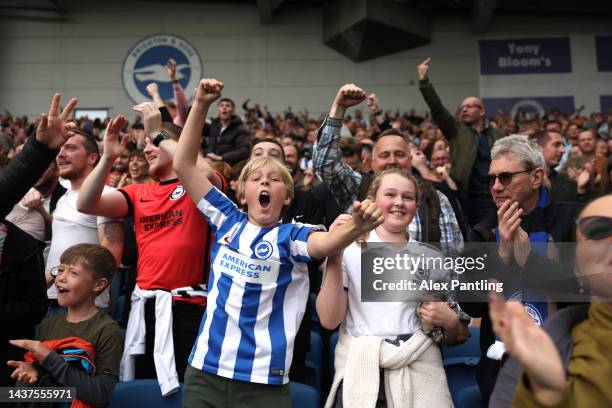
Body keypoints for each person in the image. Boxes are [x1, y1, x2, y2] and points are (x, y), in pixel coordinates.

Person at [173, 78, 383, 407]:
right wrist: (199, 104)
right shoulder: (226, 219)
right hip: (204, 372)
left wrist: (355, 226)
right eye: (256, 179)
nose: (265, 182)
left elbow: (325, 245)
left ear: (286, 197)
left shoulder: (292, 236)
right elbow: (183, 164)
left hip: (263, 383)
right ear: (242, 194)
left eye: (274, 180)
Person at [76, 102, 224, 395]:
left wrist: (159, 134)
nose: (146, 150)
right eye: (145, 144)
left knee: (184, 391)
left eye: (153, 144)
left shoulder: (198, 187)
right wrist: (106, 158)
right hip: (144, 307)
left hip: (189, 308)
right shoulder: (139, 191)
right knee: (144, 389)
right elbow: (86, 203)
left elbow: (205, 173)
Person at [317, 168, 469, 407]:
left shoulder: (432, 258)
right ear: (372, 201)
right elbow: (328, 320)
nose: (399, 202)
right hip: (361, 373)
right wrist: (334, 254)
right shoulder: (349, 250)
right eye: (390, 194)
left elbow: (458, 335)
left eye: (407, 197)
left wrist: (449, 321)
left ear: (416, 206)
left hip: (421, 373)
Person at [460, 134, 582, 404]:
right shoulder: (481, 231)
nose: (495, 186)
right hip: (503, 370)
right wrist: (501, 258)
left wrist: (529, 260)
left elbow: (585, 288)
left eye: (505, 177)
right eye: (490, 179)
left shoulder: (573, 221)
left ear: (536, 177)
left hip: (571, 363)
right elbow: (470, 304)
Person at [488, 194, 612, 407]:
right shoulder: (544, 351)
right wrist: (544, 394)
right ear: (578, 267)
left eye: (506, 176)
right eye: (598, 229)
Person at [313, 83, 464, 255]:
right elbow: (326, 164)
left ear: (410, 159)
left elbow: (452, 258)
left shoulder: (435, 198)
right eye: (385, 155)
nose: (392, 161)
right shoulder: (358, 188)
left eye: (399, 154)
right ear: (371, 163)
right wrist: (339, 108)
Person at [0, 93, 77, 386]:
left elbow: (95, 393)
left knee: (40, 397)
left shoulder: (22, 246)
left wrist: (40, 148)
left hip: (11, 365)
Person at [7, 244, 124, 407]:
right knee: (7, 395)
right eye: (60, 270)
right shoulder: (48, 324)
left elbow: (101, 394)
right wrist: (33, 372)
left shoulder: (107, 331)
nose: (61, 278)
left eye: (73, 273)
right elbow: (46, 384)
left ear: (99, 284)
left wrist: (49, 358)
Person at [45, 128, 124, 315]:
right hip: (51, 299)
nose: (61, 155)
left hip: (84, 306)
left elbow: (110, 258)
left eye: (70, 148)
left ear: (92, 158)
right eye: (60, 149)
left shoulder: (106, 196)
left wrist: (59, 273)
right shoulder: (63, 198)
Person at [417, 58, 505, 226]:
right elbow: (437, 109)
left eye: (470, 106)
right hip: (466, 195)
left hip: (495, 194)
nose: (464, 109)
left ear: (482, 111)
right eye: (462, 107)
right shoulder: (456, 131)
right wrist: (424, 82)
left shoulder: (499, 134)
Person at [201, 97, 251, 166]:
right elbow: (196, 126)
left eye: (227, 105)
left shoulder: (241, 128)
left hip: (230, 166)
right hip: (211, 162)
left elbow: (244, 151)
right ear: (218, 110)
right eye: (221, 105)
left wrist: (221, 157)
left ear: (233, 111)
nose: (224, 108)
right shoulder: (214, 126)